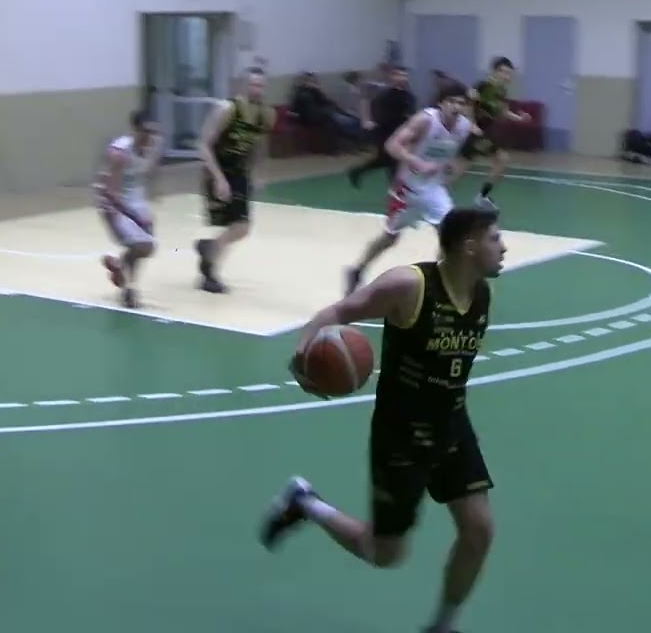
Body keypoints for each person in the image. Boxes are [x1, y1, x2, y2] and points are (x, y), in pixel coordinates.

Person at [260, 206, 507, 633]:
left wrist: (463, 429)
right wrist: (303, 357)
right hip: (401, 436)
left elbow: (451, 369)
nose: (503, 247)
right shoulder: (408, 286)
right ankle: (305, 503)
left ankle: (442, 627)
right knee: (385, 553)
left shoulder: (481, 294)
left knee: (479, 531)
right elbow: (336, 313)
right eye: (494, 238)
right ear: (469, 246)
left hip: (452, 426)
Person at [342, 81, 475, 296]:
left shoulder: (464, 127)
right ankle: (357, 270)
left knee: (450, 235)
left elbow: (461, 155)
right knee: (390, 237)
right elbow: (392, 145)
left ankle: (438, 285)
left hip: (434, 189)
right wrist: (415, 161)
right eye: (451, 101)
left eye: (461, 103)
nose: (456, 106)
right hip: (407, 189)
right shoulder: (425, 120)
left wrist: (453, 171)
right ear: (441, 103)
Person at [193, 66, 276, 293]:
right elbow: (203, 145)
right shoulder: (228, 109)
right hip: (217, 169)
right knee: (237, 226)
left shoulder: (266, 114)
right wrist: (218, 178)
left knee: (241, 227)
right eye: (253, 84)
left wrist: (258, 173)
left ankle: (209, 255)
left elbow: (259, 146)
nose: (257, 89)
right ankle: (209, 267)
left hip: (239, 172)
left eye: (261, 85)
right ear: (243, 85)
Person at [95, 110, 163, 309]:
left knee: (146, 247)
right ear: (135, 130)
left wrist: (153, 195)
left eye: (153, 132)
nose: (150, 136)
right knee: (141, 244)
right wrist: (134, 216)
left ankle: (119, 266)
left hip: (136, 201)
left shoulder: (154, 146)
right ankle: (129, 290)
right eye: (146, 131)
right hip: (112, 203)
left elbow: (149, 171)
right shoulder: (119, 153)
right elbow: (110, 192)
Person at [464, 57, 530, 209]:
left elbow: (503, 111)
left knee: (501, 160)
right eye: (504, 72)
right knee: (461, 166)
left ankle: (482, 196)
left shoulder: (500, 91)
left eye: (509, 73)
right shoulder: (483, 86)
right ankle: (432, 190)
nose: (507, 77)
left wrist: (520, 118)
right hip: (475, 131)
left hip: (486, 132)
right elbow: (467, 104)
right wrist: (471, 124)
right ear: (494, 72)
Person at [347, 64, 417, 188]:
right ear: (393, 77)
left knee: (386, 160)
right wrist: (369, 122)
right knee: (391, 160)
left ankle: (358, 171)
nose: (402, 78)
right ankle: (396, 188)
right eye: (399, 75)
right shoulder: (385, 95)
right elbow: (375, 109)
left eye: (405, 75)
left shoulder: (408, 96)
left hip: (400, 131)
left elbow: (411, 114)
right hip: (385, 132)